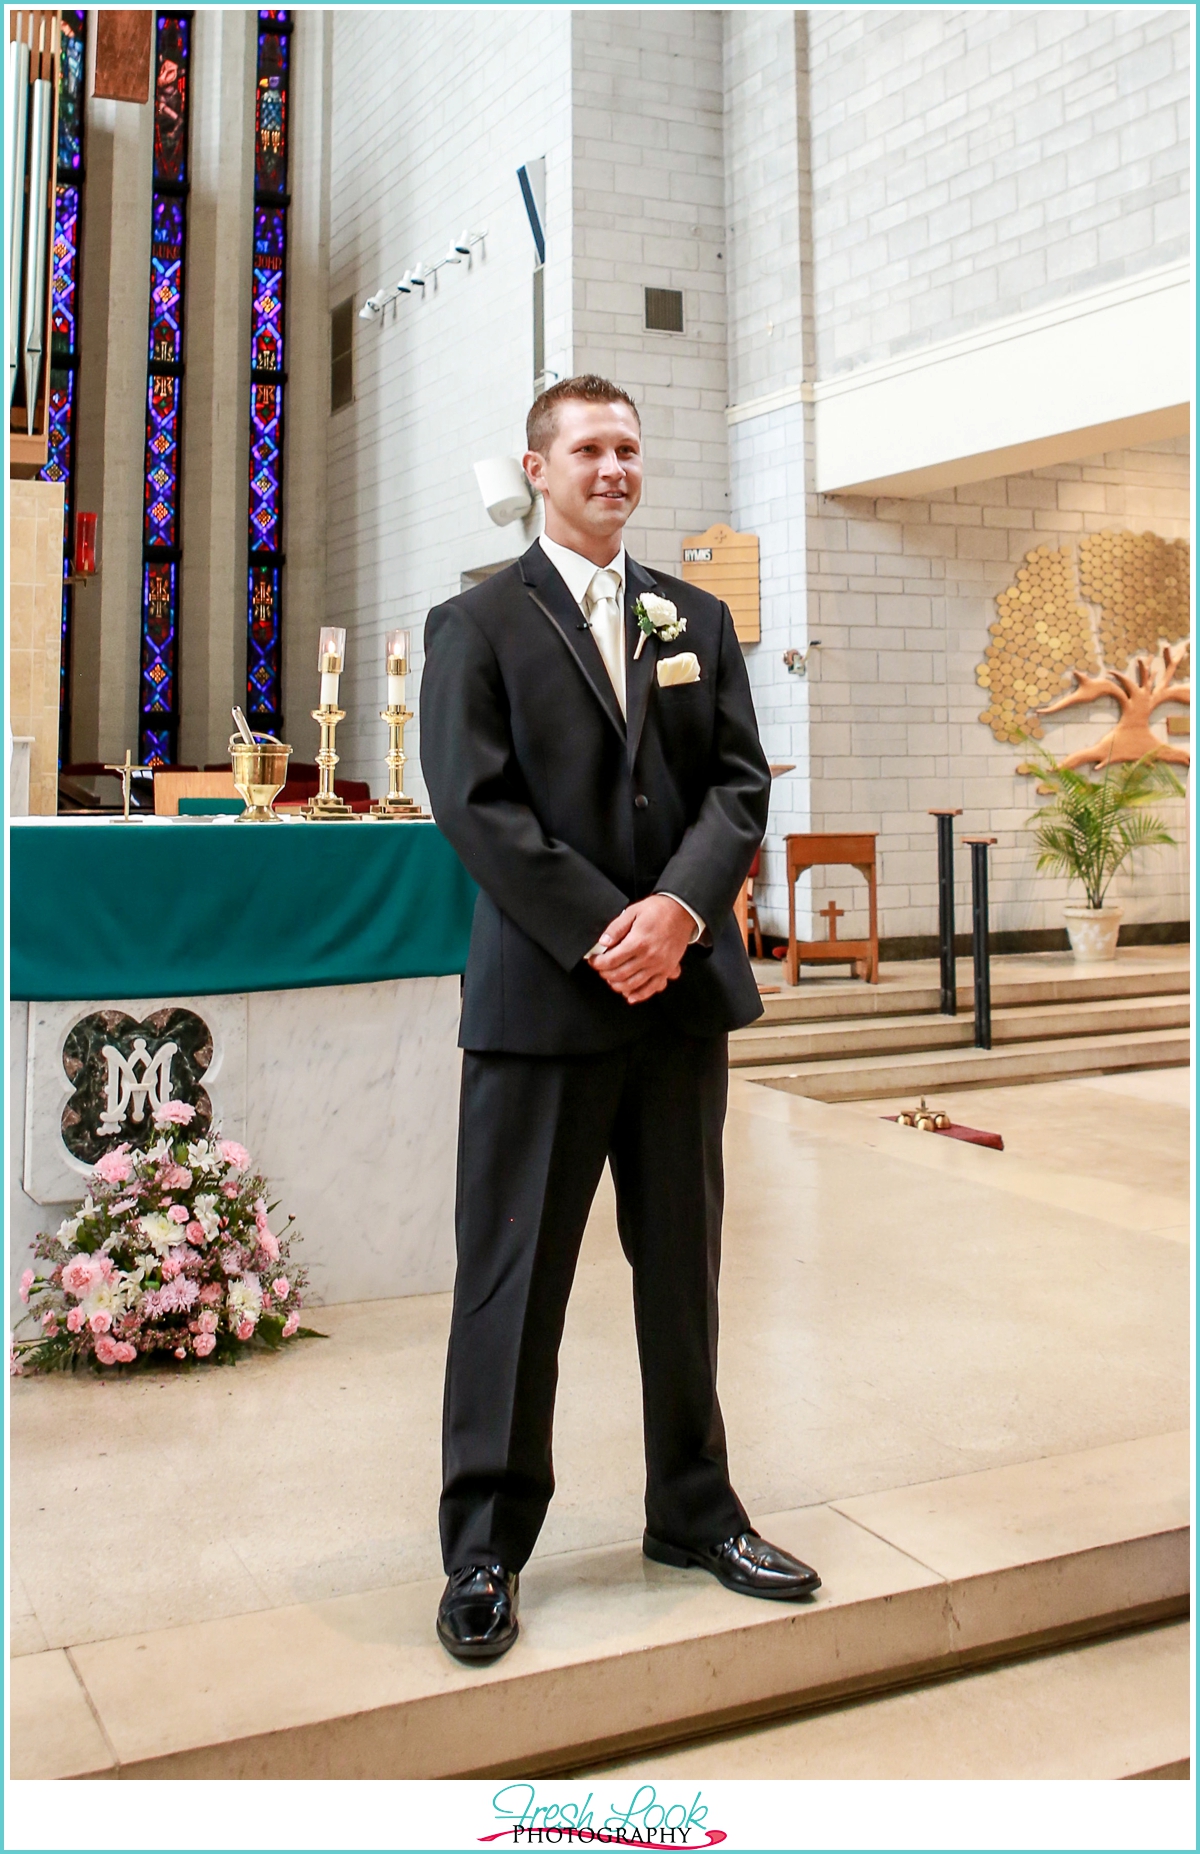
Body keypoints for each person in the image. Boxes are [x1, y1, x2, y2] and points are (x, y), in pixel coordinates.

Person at [420, 375, 820, 1663]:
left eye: (630, 448)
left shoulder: (692, 613)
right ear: (538, 468)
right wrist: (616, 928)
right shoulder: (475, 622)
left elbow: (738, 786)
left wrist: (682, 915)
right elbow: (476, 805)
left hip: (676, 1006)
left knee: (684, 1277)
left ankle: (694, 1510)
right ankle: (484, 1549)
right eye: (588, 448)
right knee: (512, 1285)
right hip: (547, 1001)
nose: (615, 467)